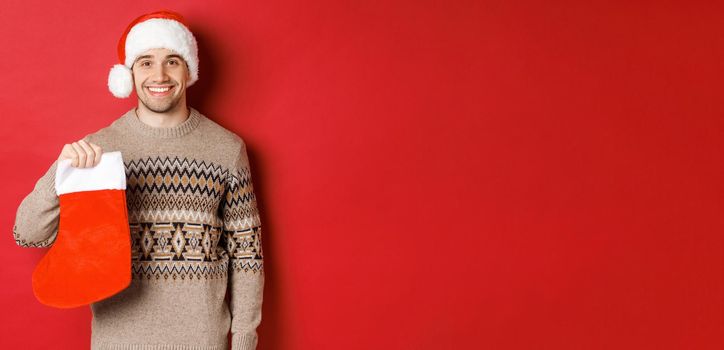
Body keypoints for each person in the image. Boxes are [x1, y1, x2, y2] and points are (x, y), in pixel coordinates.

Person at [12, 10, 265, 350]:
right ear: (129, 73)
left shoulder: (226, 149)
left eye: (171, 61)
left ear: (188, 69)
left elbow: (247, 254)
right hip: (118, 342)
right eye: (145, 62)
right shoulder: (98, 151)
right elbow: (27, 234)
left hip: (203, 341)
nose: (159, 74)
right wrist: (59, 173)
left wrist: (245, 341)